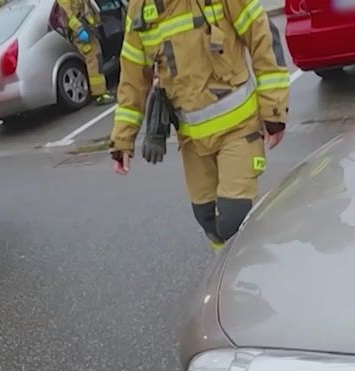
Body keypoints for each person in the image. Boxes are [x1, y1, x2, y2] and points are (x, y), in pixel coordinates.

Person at [110, 0, 290, 249]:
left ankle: (258, 270)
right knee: (206, 218)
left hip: (239, 129)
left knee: (233, 218)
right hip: (193, 141)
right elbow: (132, 78)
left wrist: (274, 111)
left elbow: (263, 37)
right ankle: (228, 280)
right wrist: (122, 139)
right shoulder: (140, 9)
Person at [56, 0, 115, 105]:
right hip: (79, 34)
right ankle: (99, 94)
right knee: (93, 60)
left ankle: (102, 91)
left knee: (97, 59)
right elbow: (68, 15)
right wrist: (79, 30)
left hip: (87, 29)